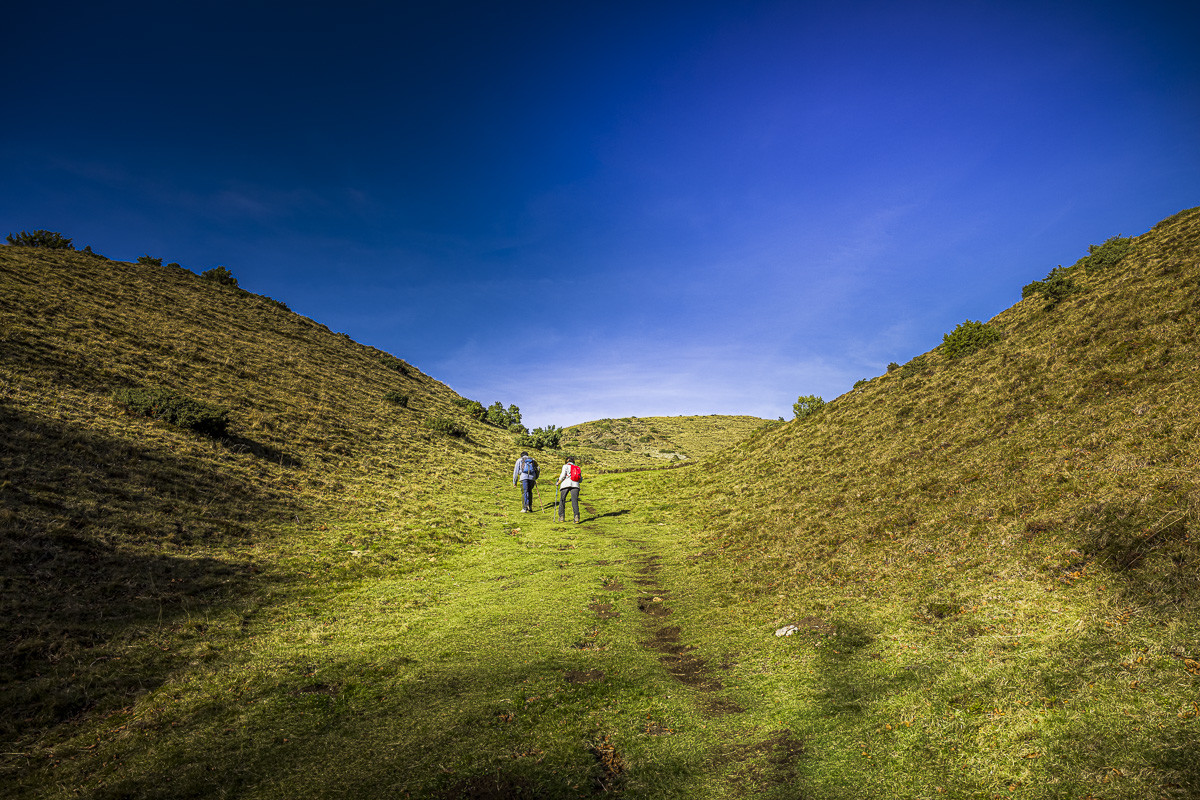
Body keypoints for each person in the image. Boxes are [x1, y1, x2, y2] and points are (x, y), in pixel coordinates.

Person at [555, 456, 582, 523]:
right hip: (575, 485)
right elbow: (580, 479)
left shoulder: (565, 466)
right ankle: (576, 517)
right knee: (574, 501)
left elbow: (563, 475)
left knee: (562, 500)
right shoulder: (577, 468)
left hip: (565, 484)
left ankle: (561, 517)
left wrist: (558, 482)